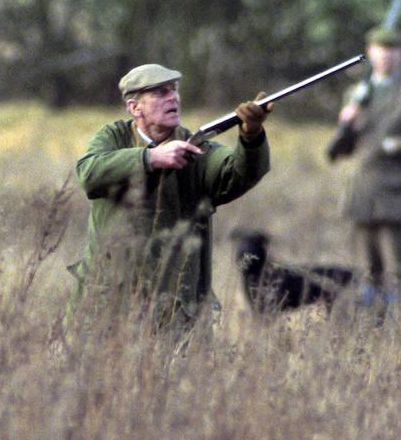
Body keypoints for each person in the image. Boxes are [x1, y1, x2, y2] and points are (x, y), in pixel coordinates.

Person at [69, 64, 272, 336]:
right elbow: (89, 173)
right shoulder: (113, 137)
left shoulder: (195, 146)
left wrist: (251, 136)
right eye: (160, 93)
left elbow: (237, 174)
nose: (173, 98)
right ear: (134, 107)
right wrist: (151, 158)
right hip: (110, 302)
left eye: (174, 91)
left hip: (178, 305)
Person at [326, 26, 401, 322]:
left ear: (400, 54)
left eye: (391, 50)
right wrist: (347, 123)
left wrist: (396, 145)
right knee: (365, 272)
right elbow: (341, 151)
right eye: (379, 49)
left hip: (395, 196)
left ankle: (399, 330)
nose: (385, 56)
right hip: (362, 195)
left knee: (398, 272)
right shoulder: (357, 94)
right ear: (370, 52)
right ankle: (369, 326)